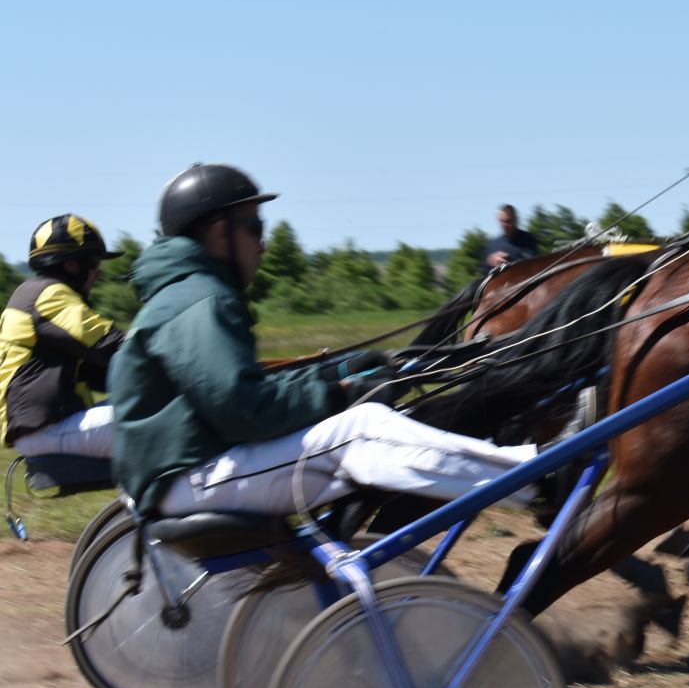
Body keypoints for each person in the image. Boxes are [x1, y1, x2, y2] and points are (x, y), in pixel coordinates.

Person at [110, 164, 539, 519]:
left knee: (358, 433)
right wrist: (342, 394)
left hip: (184, 470)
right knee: (361, 431)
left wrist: (343, 368)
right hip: (187, 477)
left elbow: (245, 389)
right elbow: (243, 408)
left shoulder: (188, 292)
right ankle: (534, 479)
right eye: (255, 227)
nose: (263, 244)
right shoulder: (201, 299)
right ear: (219, 233)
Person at [0, 215, 124, 460]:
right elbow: (111, 346)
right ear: (72, 266)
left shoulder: (32, 292)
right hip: (47, 428)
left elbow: (101, 370)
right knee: (170, 420)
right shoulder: (49, 295)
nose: (98, 274)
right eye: (94, 264)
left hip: (43, 426)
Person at [484, 204, 541, 269]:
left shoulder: (528, 239)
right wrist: (490, 261)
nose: (505, 225)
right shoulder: (493, 244)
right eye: (502, 221)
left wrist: (509, 260)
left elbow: (532, 263)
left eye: (508, 221)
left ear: (516, 219)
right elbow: (484, 271)